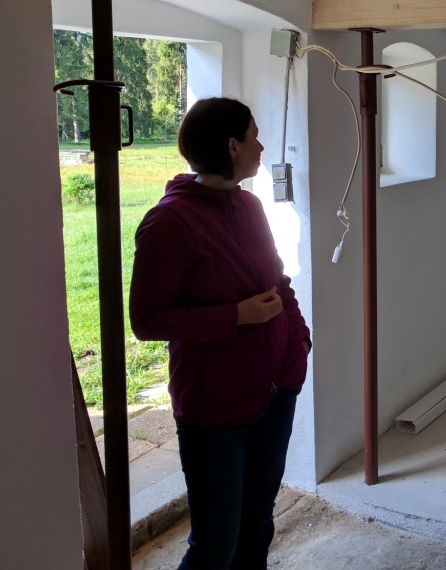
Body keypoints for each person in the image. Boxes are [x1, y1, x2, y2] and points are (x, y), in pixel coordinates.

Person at [129, 97, 311, 570]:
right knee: (215, 546)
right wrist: (235, 316)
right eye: (254, 137)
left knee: (257, 524)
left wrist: (299, 342)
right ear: (232, 146)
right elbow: (147, 320)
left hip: (277, 391)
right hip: (215, 410)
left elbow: (278, 280)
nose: (261, 147)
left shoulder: (249, 205)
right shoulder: (169, 222)